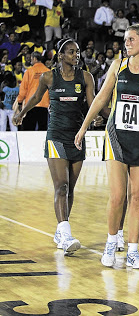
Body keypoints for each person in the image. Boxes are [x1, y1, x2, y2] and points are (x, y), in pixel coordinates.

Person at [74, 23, 139, 269]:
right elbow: (101, 97)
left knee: (136, 197)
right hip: (116, 136)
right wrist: (84, 126)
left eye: (131, 39)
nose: (126, 43)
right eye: (125, 39)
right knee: (118, 196)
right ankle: (111, 244)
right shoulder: (118, 66)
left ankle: (133, 251)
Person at [13, 38, 96, 255]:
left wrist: (99, 117)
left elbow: (92, 103)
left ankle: (61, 230)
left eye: (77, 52)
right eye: (70, 52)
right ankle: (65, 233)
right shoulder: (49, 77)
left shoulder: (86, 77)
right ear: (60, 56)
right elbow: (36, 98)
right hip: (56, 136)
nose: (75, 56)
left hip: (77, 137)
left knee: (70, 189)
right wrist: (22, 113)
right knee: (61, 186)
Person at [15, 51, 50, 130]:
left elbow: (23, 89)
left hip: (30, 104)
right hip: (44, 105)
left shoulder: (29, 71)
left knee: (28, 130)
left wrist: (20, 101)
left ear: (35, 59)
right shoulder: (48, 72)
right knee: (42, 130)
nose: (31, 61)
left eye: (31, 59)